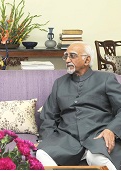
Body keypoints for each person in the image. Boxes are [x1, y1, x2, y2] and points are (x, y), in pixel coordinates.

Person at [36, 42, 121, 170]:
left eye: (72, 56)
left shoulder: (106, 79)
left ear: (87, 60)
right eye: (66, 56)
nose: (67, 60)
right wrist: (48, 140)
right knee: (41, 153)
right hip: (67, 138)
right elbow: (49, 116)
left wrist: (112, 130)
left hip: (98, 136)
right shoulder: (59, 83)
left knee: (98, 158)